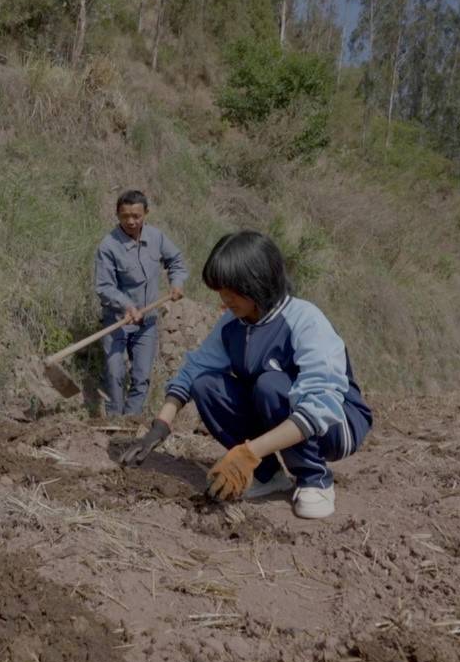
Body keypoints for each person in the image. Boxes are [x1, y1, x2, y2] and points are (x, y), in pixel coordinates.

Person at [119, 230, 372, 519]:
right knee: (207, 385)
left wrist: (247, 453)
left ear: (258, 282)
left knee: (270, 384)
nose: (225, 298)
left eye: (233, 290)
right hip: (277, 412)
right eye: (221, 289)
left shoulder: (305, 320)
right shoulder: (233, 323)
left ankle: (314, 477)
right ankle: (267, 475)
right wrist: (161, 425)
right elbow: (195, 369)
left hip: (336, 424)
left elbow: (320, 405)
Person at [94, 190, 187, 416]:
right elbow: (104, 287)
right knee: (115, 372)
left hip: (148, 321)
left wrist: (176, 282)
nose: (131, 221)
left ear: (146, 213)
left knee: (141, 376)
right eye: (125, 216)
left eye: (136, 215)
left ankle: (131, 420)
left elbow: (176, 261)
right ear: (117, 215)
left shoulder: (156, 237)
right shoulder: (108, 246)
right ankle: (114, 420)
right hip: (117, 320)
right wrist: (127, 305)